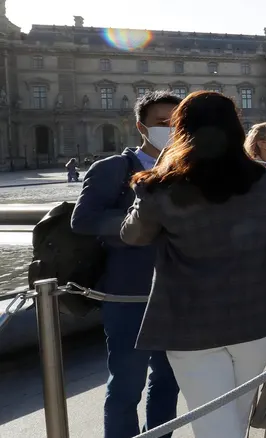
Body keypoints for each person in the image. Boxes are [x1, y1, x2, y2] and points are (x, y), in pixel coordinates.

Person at [120, 91, 266, 438]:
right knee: (237, 412)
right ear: (235, 127)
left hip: (188, 321)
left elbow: (134, 236)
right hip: (256, 315)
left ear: (181, 130)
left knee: (212, 422)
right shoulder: (265, 179)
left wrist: (152, 182)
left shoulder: (161, 184)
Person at [70, 90, 182, 438]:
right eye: (162, 123)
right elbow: (83, 220)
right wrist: (139, 224)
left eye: (176, 123)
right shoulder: (113, 168)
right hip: (127, 294)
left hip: (176, 294)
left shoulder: (185, 171)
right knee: (126, 385)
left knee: (167, 382)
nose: (171, 129)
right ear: (140, 127)